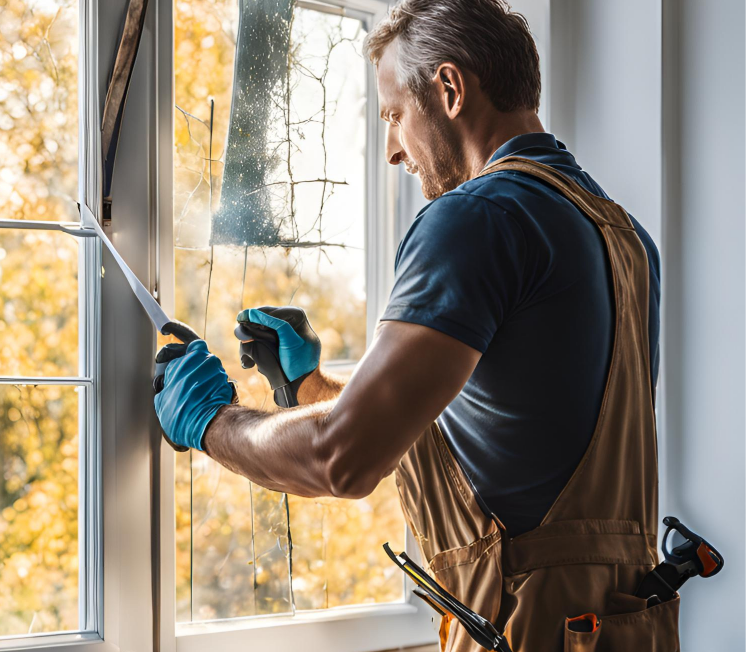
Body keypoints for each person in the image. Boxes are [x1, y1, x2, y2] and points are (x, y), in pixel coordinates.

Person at [153, 1, 669, 649]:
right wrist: (310, 387)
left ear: (450, 88)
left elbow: (343, 457)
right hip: (625, 626)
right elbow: (499, 445)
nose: (394, 149)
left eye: (395, 115)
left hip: (530, 627)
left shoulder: (478, 217)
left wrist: (210, 421)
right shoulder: (619, 233)